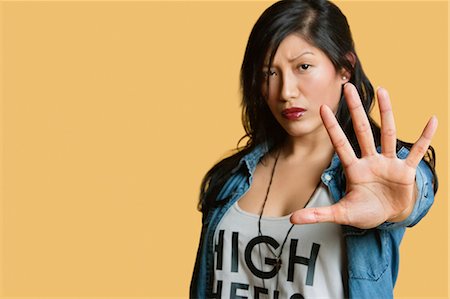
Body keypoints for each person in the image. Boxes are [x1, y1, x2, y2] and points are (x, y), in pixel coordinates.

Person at [190, 0, 438, 298]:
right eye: (270, 73)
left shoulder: (370, 173)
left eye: (303, 67)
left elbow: (410, 190)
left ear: (344, 68)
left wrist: (403, 202)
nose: (286, 91)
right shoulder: (231, 179)